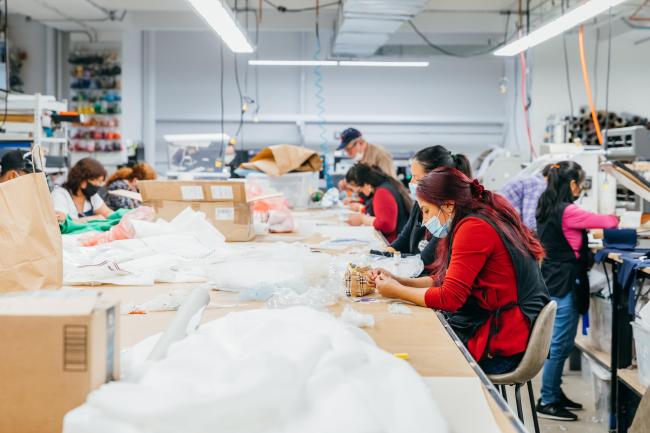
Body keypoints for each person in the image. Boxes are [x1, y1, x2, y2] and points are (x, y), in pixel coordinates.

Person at [369, 167, 550, 374]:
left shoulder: (473, 228)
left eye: (427, 211)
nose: (425, 220)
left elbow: (449, 297)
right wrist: (399, 281)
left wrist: (396, 291)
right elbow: (445, 279)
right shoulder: (479, 217)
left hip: (503, 344)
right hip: (506, 329)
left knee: (409, 358)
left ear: (448, 205)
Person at [536, 161, 618, 421]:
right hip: (565, 282)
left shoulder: (545, 206)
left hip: (554, 279)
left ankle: (554, 393)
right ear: (572, 184)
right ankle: (547, 400)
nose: (580, 188)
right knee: (560, 345)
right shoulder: (568, 211)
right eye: (579, 182)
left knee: (561, 342)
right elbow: (609, 221)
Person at [389, 146, 471, 266]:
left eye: (416, 177)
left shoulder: (449, 217)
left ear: (434, 178)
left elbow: (426, 261)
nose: (411, 183)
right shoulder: (419, 205)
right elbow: (403, 241)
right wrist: (380, 254)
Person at [345, 163, 412, 243]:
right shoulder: (386, 185)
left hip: (394, 245)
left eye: (360, 190)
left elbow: (387, 225)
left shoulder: (382, 193)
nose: (360, 194)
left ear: (366, 184)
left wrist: (363, 219)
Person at [51, 157, 113, 222]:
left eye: (100, 182)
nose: (98, 185)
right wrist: (91, 219)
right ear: (83, 181)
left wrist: (121, 216)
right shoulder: (60, 194)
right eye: (96, 182)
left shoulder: (91, 196)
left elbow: (107, 212)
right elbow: (61, 222)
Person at [337, 128, 396, 193]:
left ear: (360, 143)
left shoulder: (380, 155)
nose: (348, 154)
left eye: (349, 149)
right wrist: (349, 184)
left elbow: (388, 184)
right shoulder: (361, 157)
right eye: (345, 150)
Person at [500, 164, 553, 232]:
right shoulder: (539, 185)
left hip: (497, 218)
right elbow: (529, 222)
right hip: (502, 222)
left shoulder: (532, 179)